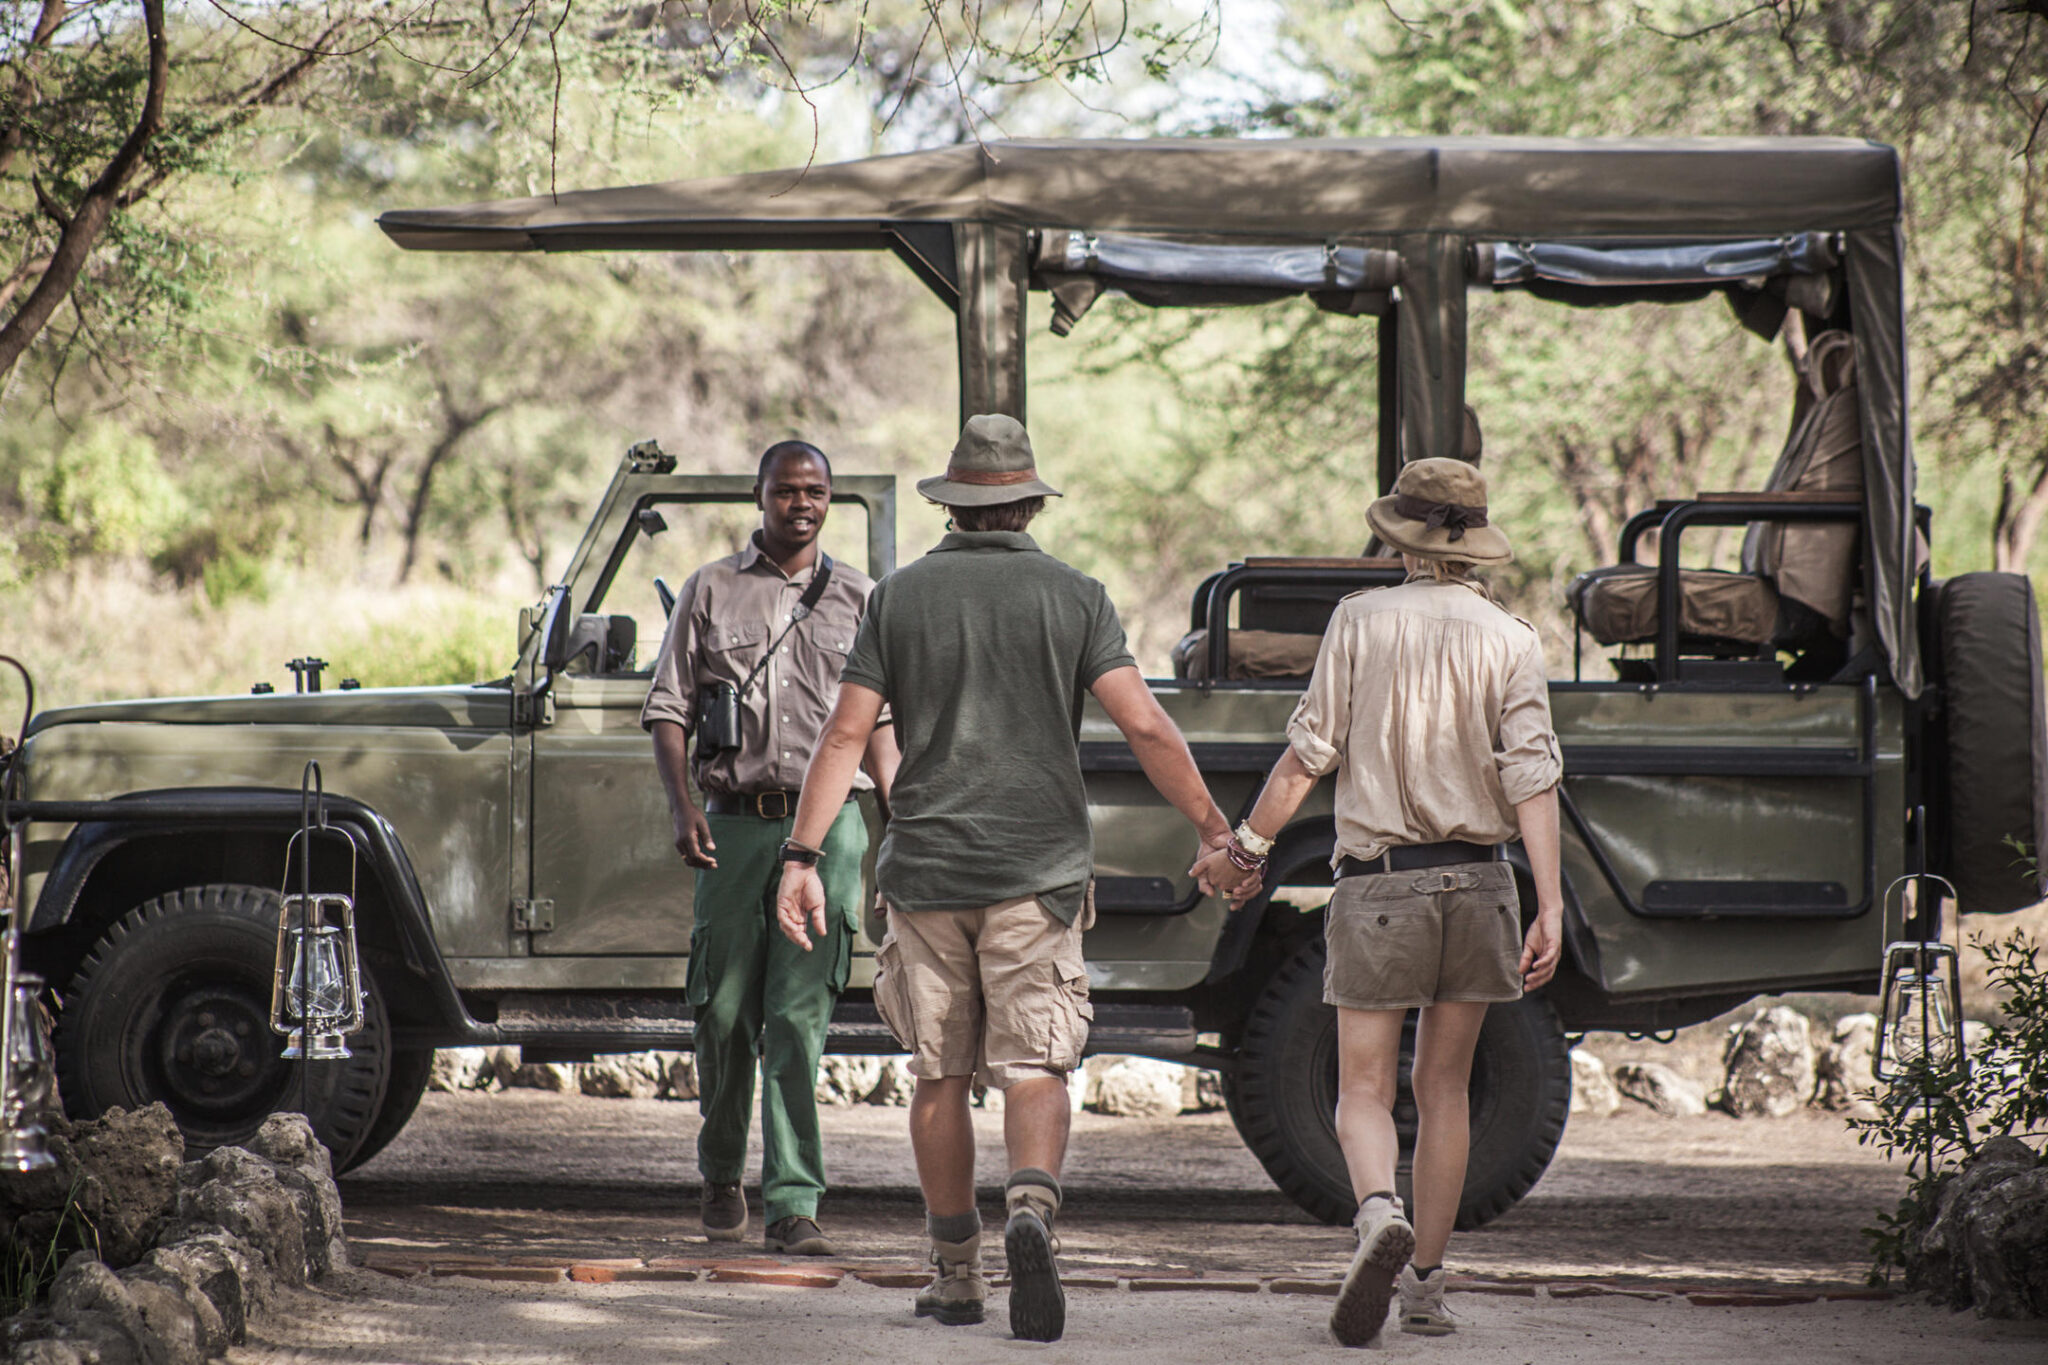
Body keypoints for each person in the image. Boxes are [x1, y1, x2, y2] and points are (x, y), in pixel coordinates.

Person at [771, 414, 1237, 1342]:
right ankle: (1032, 1205)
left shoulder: (898, 598)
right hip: (1038, 872)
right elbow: (1145, 725)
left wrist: (801, 855)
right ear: (1027, 501)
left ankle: (955, 1272)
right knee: (1036, 1062)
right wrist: (1215, 828)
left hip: (929, 869)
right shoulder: (1076, 596)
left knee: (938, 1074)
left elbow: (847, 735)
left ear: (955, 502)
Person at [1193, 455, 1564, 1347]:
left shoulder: (1358, 620)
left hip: (1382, 881)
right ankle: (1428, 1287)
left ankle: (1374, 1215)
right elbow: (1534, 776)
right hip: (1483, 883)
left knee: (1362, 1085)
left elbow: (1307, 754)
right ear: (1474, 542)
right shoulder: (1511, 638)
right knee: (1446, 1090)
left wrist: (1245, 847)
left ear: (1398, 536)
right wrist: (1547, 901)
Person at [641, 439, 899, 1257]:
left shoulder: (863, 598)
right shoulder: (710, 589)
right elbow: (668, 709)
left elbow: (883, 726)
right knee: (720, 1008)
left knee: (798, 1017)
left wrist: (907, 827)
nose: (802, 503)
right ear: (760, 496)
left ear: (831, 498)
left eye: (815, 490)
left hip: (829, 834)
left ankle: (794, 1200)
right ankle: (721, 1170)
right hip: (735, 823)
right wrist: (683, 806)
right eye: (786, 490)